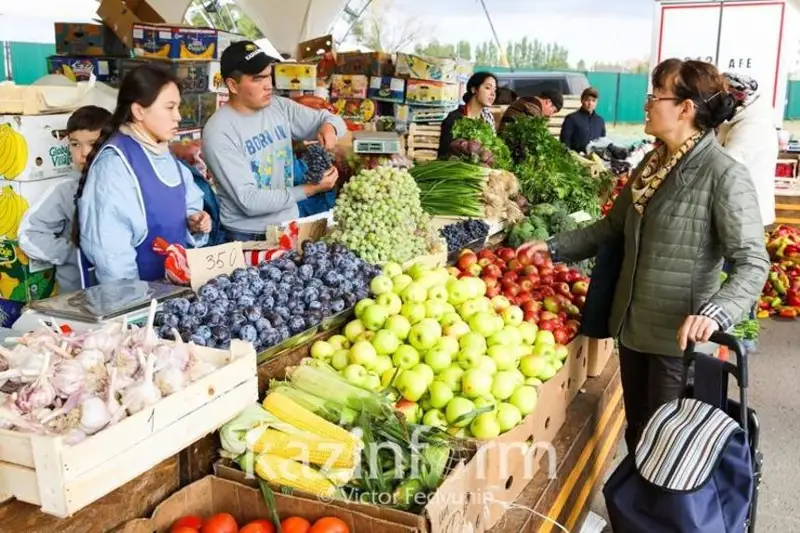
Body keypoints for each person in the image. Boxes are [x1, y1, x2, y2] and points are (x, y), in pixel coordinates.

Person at [518, 59, 770, 452]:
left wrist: (714, 313)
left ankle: (663, 513)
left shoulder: (723, 174)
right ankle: (635, 513)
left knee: (666, 448)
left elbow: (753, 261)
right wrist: (553, 247)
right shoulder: (652, 165)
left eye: (655, 96)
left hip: (675, 338)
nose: (646, 105)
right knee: (638, 433)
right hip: (633, 327)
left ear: (685, 109)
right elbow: (612, 227)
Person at [76, 64, 211, 285]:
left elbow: (188, 204)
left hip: (172, 294)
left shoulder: (165, 155)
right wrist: (135, 309)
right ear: (139, 111)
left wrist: (195, 222)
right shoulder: (115, 166)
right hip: (138, 303)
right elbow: (112, 258)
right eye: (169, 107)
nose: (178, 116)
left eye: (178, 107)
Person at [202, 41, 346, 242]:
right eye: (257, 78)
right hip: (248, 236)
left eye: (268, 75)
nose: (268, 85)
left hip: (289, 225)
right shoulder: (219, 132)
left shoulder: (279, 107)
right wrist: (311, 189)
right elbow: (249, 201)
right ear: (233, 85)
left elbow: (332, 119)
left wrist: (329, 128)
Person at [18, 106, 111, 294]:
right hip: (76, 301)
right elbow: (28, 234)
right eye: (75, 144)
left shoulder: (124, 187)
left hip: (120, 296)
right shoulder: (65, 190)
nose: (83, 153)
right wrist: (72, 252)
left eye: (93, 143)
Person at [718, 73, 778, 227]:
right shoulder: (738, 121)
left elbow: (726, 166)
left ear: (735, 96)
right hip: (738, 210)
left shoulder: (754, 126)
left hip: (746, 215)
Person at [437, 72, 498, 158]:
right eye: (488, 88)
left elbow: (492, 150)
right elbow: (444, 155)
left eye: (495, 89)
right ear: (474, 89)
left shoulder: (488, 118)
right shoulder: (454, 119)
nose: (493, 94)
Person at [560, 87, 606, 153]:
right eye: (587, 100)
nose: (590, 103)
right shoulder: (571, 118)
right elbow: (565, 142)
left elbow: (603, 142)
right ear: (582, 100)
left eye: (593, 100)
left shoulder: (600, 121)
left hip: (596, 158)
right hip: (576, 157)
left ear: (597, 102)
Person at [499, 88, 563, 130]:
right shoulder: (533, 107)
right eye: (553, 111)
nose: (550, 115)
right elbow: (535, 132)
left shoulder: (527, 100)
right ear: (548, 102)